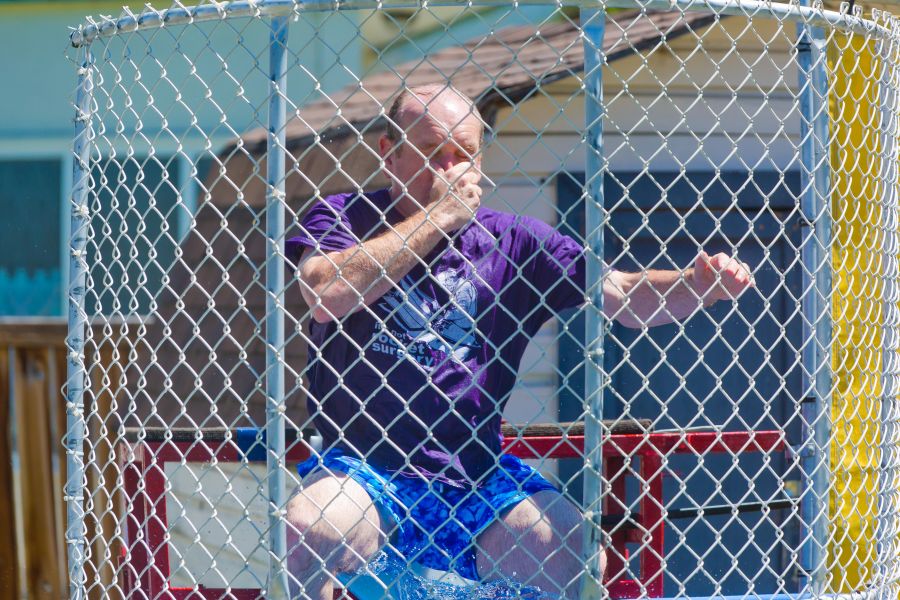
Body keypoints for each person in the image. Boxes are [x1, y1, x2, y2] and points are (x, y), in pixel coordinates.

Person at [284, 83, 753, 599]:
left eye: (463, 154)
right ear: (388, 153)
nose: (449, 169)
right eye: (430, 152)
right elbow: (326, 293)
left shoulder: (514, 241)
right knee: (311, 529)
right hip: (368, 468)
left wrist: (698, 285)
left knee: (576, 556)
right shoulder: (345, 216)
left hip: (474, 474)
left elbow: (619, 293)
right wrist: (440, 218)